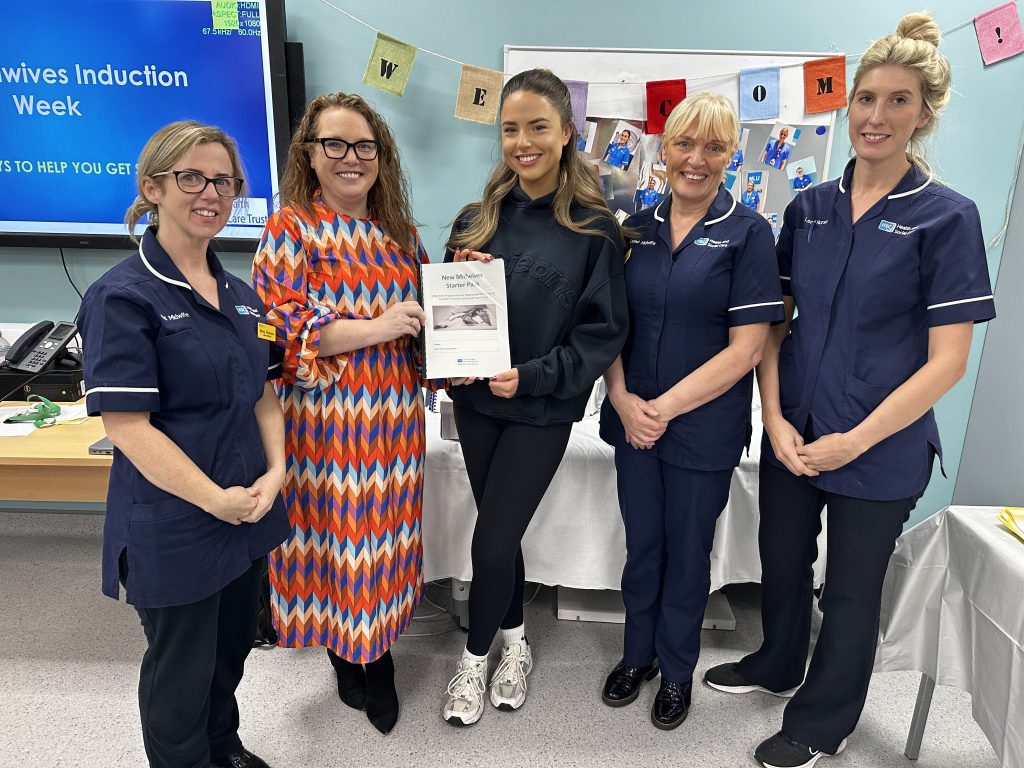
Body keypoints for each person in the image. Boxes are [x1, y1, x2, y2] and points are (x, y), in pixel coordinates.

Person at [703, 13, 996, 768]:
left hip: (881, 443)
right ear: (847, 106)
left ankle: (821, 722)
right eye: (865, 98)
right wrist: (772, 417)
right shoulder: (811, 208)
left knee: (855, 590)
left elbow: (948, 362)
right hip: (795, 426)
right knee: (782, 557)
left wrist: (855, 440)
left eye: (897, 101)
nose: (875, 115)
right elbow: (773, 323)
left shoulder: (946, 217)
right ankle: (776, 663)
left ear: (922, 114)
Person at [76, 121, 289, 768]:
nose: (210, 193)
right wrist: (212, 499)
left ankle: (223, 747)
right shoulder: (122, 297)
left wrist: (277, 471)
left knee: (230, 655)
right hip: (177, 522)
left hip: (246, 513)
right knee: (181, 675)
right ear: (153, 187)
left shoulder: (246, 299)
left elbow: (265, 397)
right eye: (191, 177)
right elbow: (127, 429)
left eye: (224, 181)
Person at [440, 68, 628, 726]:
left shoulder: (594, 230)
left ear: (567, 133)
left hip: (540, 410)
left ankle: (473, 658)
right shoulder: (474, 221)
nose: (523, 141)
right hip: (478, 406)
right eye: (511, 129)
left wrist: (531, 376)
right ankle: (516, 644)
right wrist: (453, 334)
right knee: (502, 534)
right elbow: (447, 323)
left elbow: (600, 338)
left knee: (489, 546)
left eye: (538, 127)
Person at [598, 92, 783, 730]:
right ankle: (637, 656)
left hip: (702, 429)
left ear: (731, 155)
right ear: (664, 149)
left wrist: (661, 410)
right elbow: (610, 325)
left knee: (687, 551)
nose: (695, 160)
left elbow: (748, 349)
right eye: (684, 145)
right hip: (631, 423)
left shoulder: (751, 233)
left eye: (713, 147)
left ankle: (677, 671)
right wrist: (622, 400)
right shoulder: (634, 227)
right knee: (642, 545)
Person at [251, 92, 428, 735]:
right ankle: (341, 652)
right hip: (322, 427)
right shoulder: (290, 229)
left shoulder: (402, 237)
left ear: (381, 157)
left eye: (365, 147)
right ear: (312, 154)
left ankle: (376, 657)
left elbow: (426, 331)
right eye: (336, 145)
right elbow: (281, 330)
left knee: (381, 545)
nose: (351, 159)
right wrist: (379, 325)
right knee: (330, 540)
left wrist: (468, 296)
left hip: (393, 424)